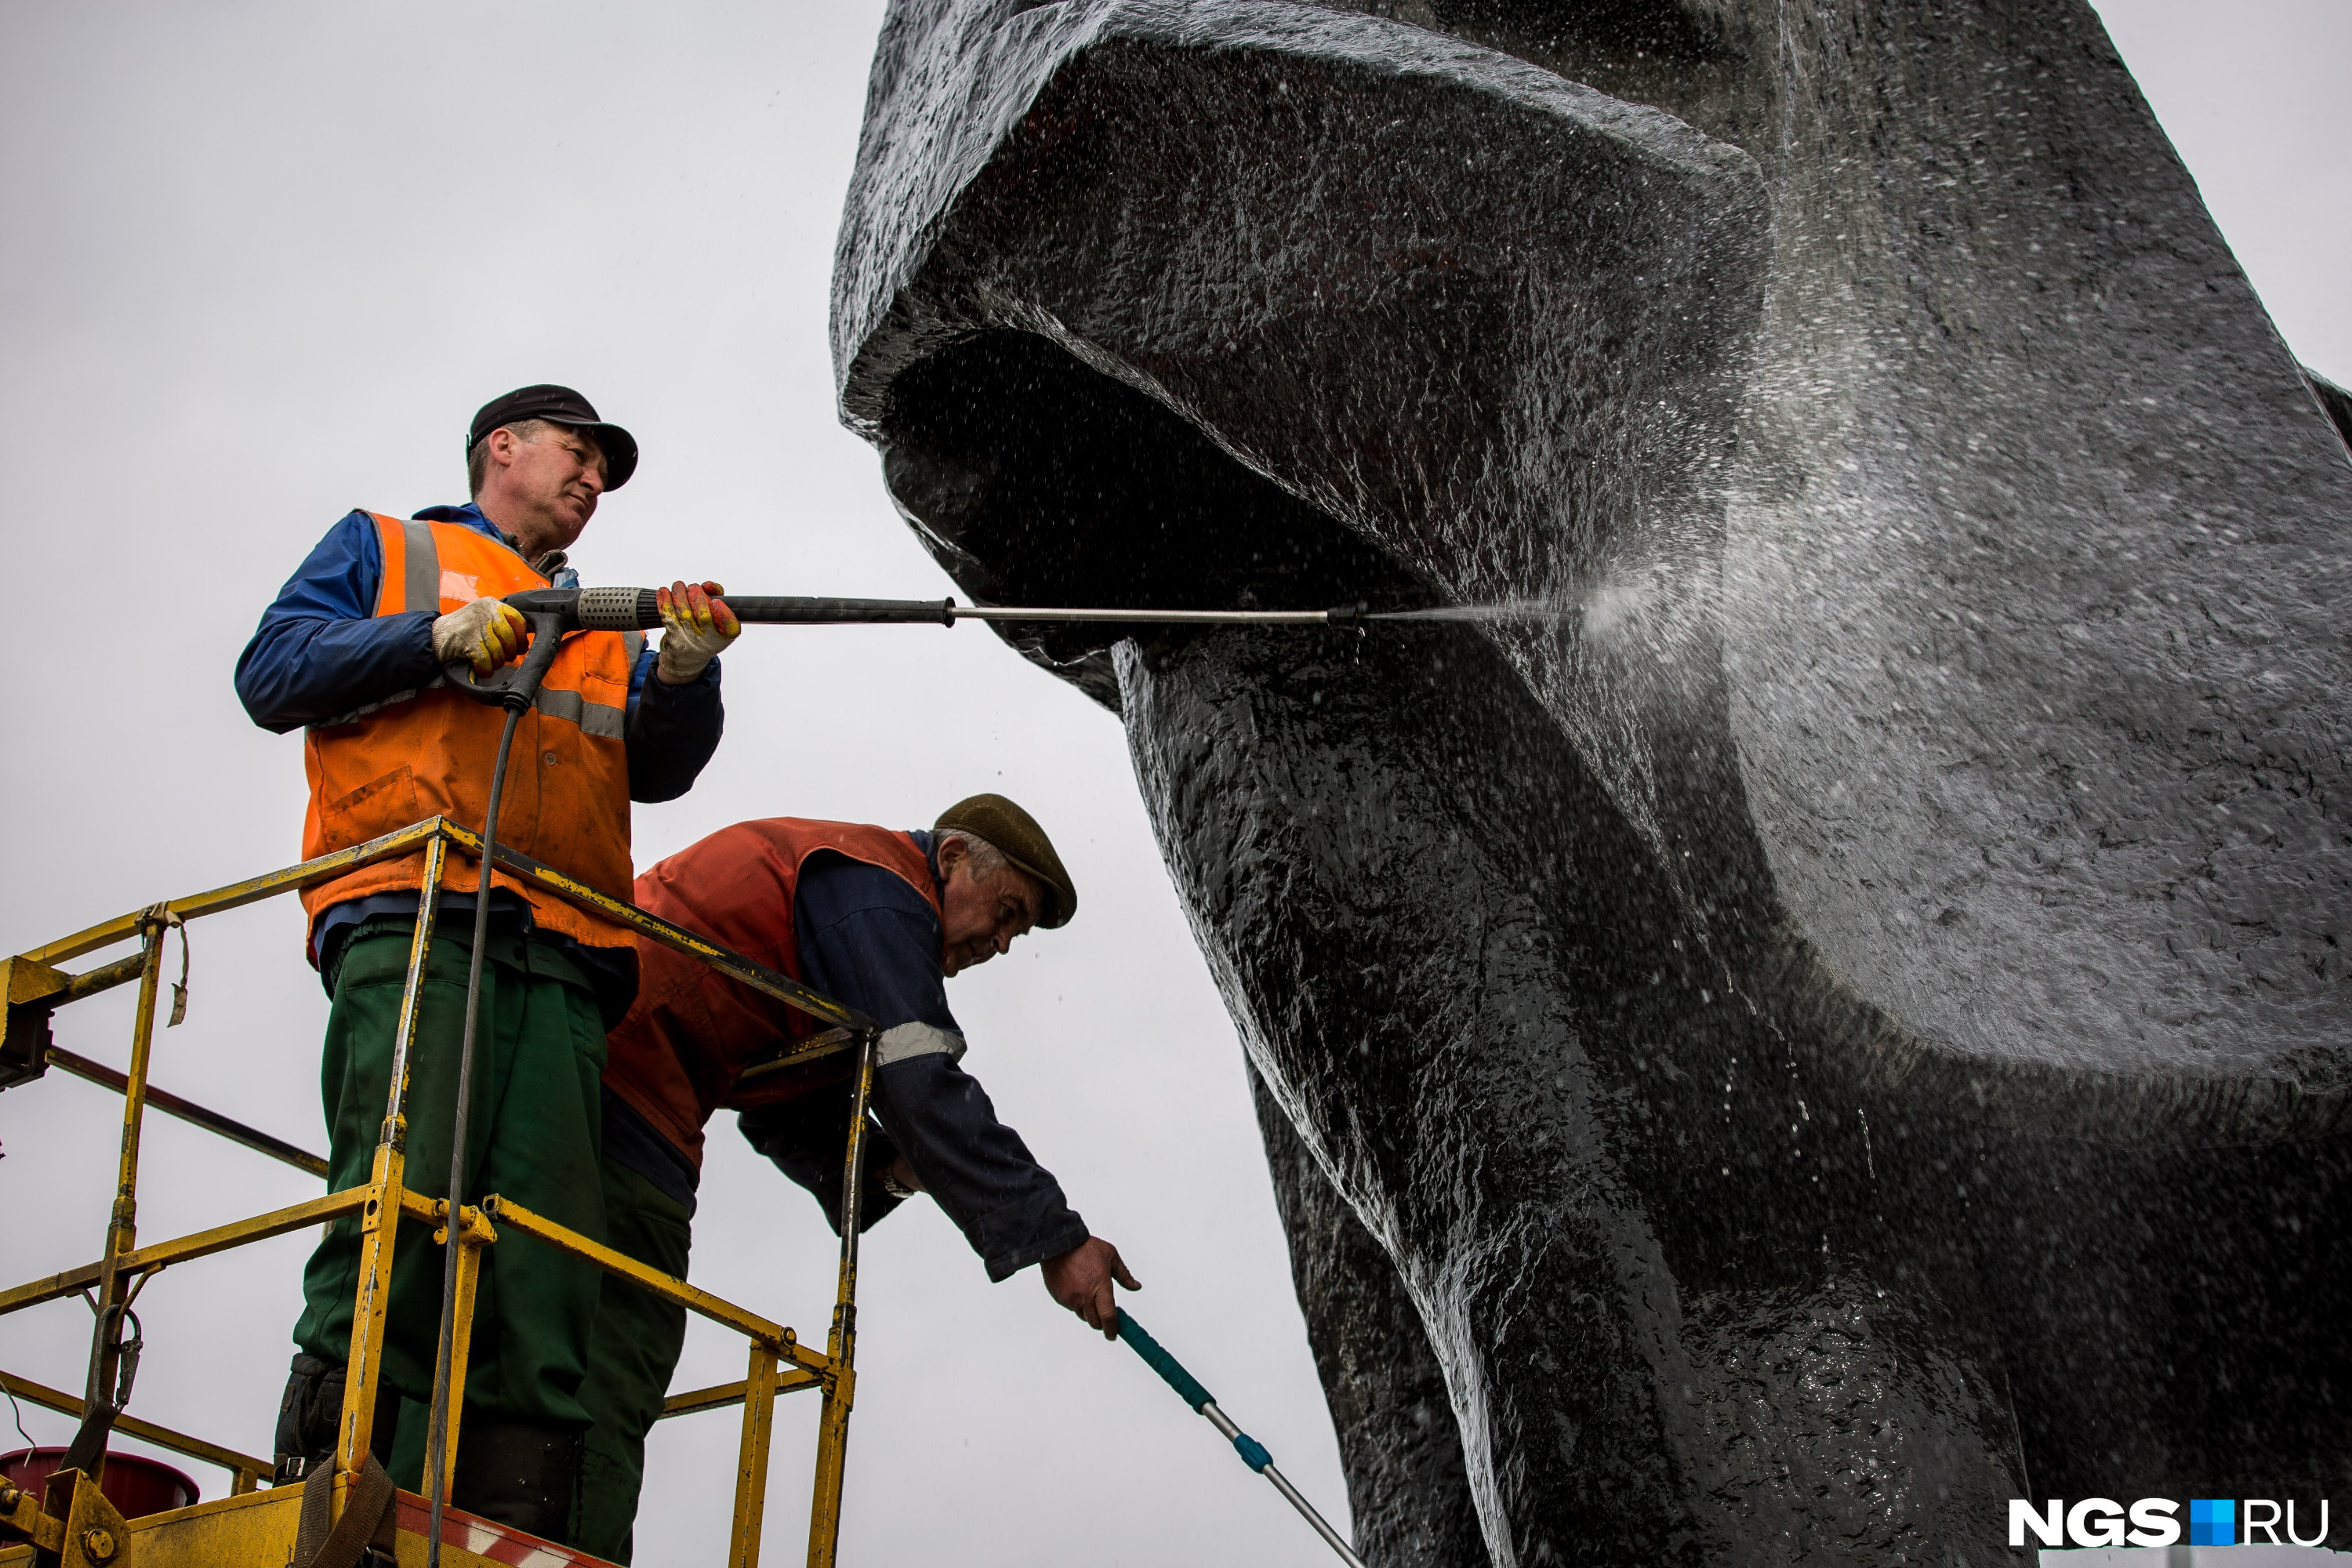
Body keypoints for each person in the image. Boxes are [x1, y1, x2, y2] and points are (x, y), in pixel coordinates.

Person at [234, 384, 742, 1541]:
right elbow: (271, 673)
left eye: (604, 470)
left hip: (563, 951)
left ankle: (520, 1533)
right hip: (415, 916)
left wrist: (684, 671)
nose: (593, 480)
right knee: (398, 1208)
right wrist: (430, 638)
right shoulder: (386, 548)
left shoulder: (599, 619)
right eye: (579, 454)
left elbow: (652, 769)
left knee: (546, 1254)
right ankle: (342, 1491)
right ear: (500, 449)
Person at [575, 796, 1139, 1563]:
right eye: (1007, 912)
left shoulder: (845, 928)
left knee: (604, 1335)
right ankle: (562, 1540)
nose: (1003, 944)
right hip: (624, 1069)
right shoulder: (881, 894)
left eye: (1019, 932)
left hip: (629, 1066)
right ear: (950, 862)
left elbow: (784, 1104)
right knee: (621, 1339)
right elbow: (921, 1083)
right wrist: (1056, 1239)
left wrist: (896, 1169)